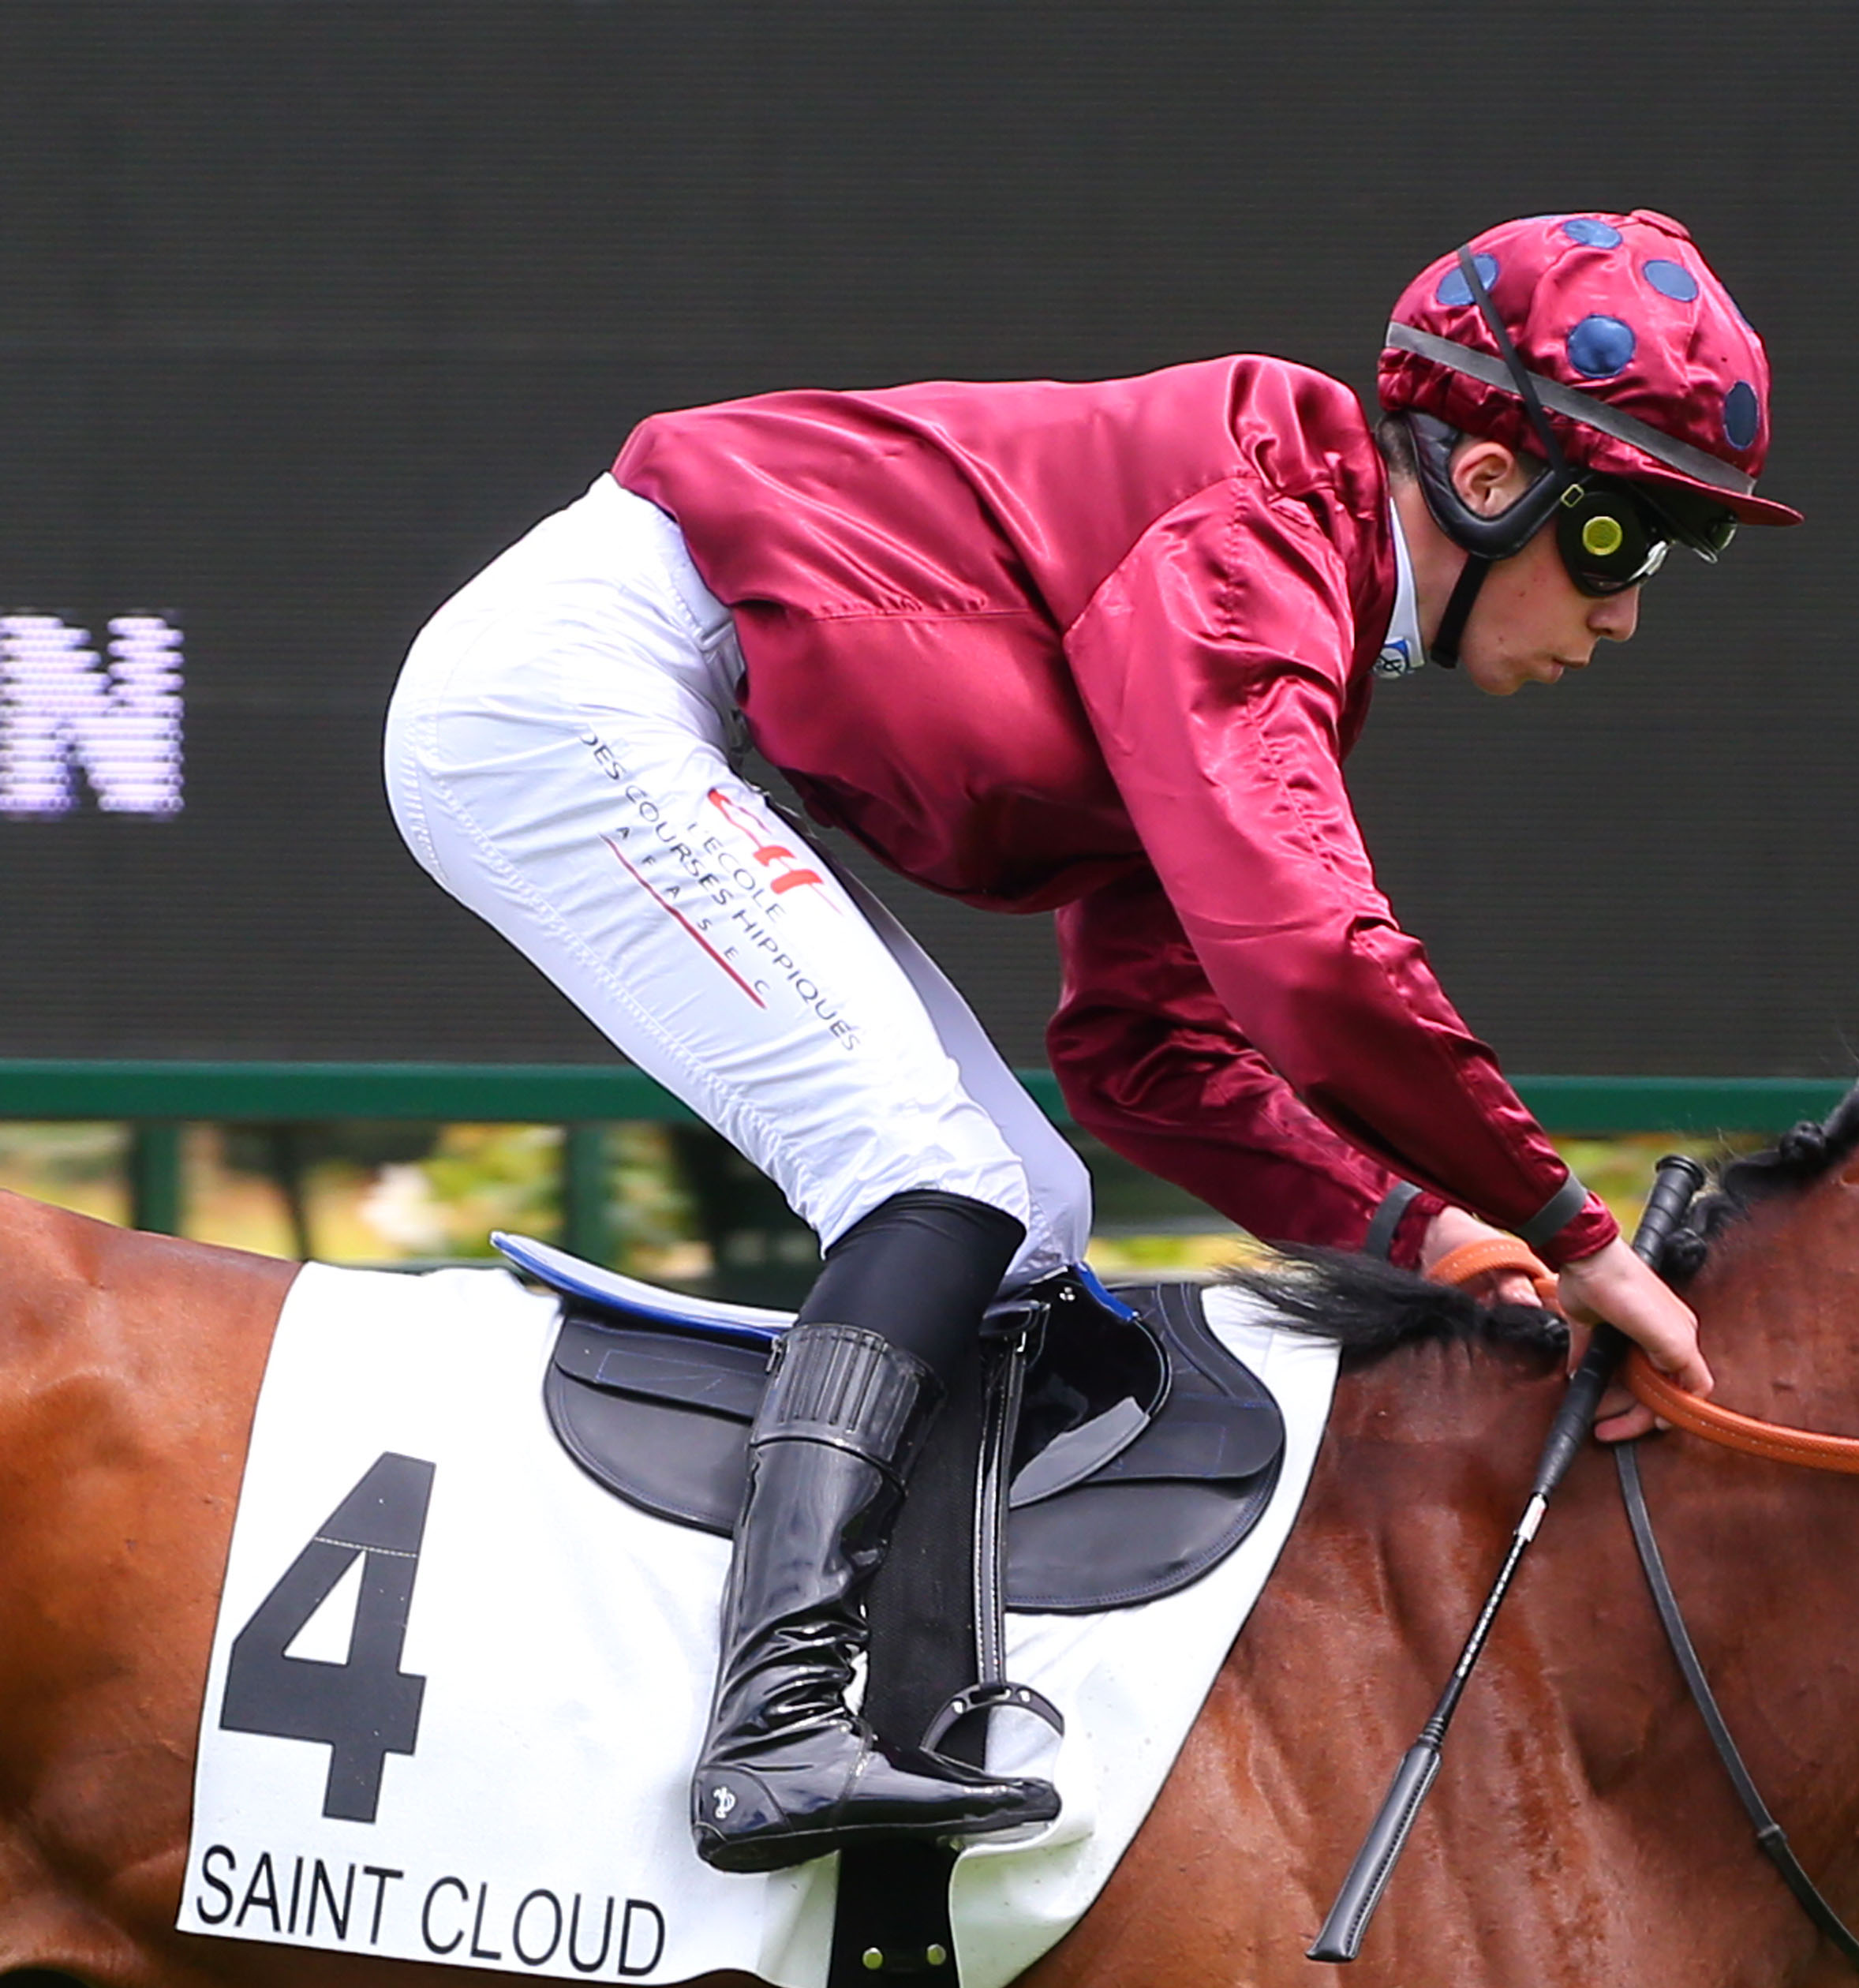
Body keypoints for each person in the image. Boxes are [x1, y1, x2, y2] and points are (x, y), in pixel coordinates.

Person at [381, 210, 1781, 1874]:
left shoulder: (1281, 592)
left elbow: (1145, 1049)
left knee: (1023, 1204)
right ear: (1488, 480)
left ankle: (908, 1699)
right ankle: (767, 1724)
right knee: (930, 1174)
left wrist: (1435, 1231)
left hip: (668, 699)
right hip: (579, 690)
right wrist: (1574, 1230)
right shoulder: (1251, 545)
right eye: (1621, 541)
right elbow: (1311, 965)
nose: (1622, 616)